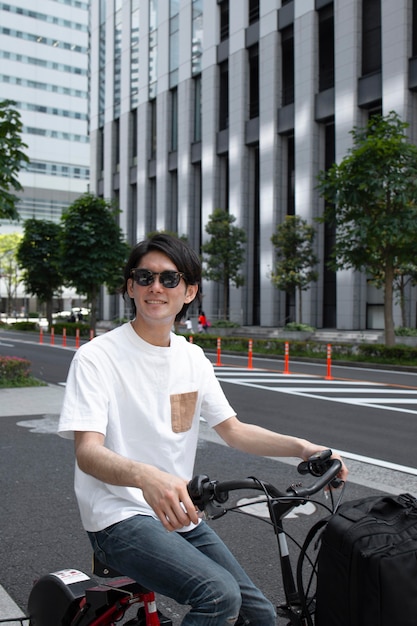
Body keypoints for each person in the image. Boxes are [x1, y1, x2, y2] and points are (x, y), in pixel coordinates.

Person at [58, 233, 348, 626]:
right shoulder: (97, 357)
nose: (155, 287)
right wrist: (146, 477)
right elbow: (87, 452)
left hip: (178, 515)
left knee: (259, 615)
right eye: (144, 278)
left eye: (169, 279)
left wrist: (303, 448)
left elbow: (233, 430)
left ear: (189, 290)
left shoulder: (192, 358)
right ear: (130, 286)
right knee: (217, 596)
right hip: (119, 517)